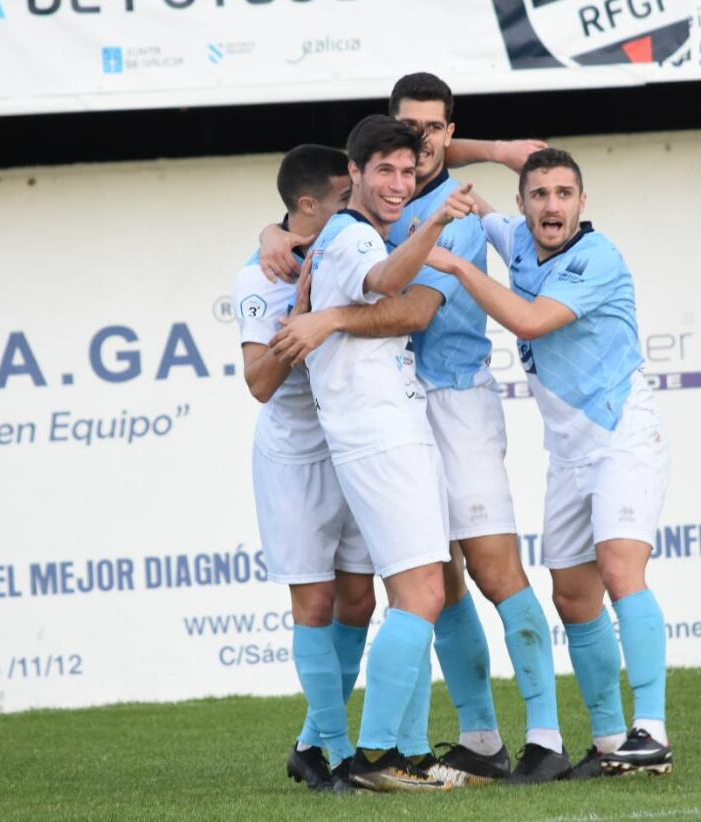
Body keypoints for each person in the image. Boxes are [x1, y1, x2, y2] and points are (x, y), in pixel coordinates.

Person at [268, 73, 569, 786]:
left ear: (447, 134)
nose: (422, 147)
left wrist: (329, 316)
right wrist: (277, 234)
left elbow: (414, 310)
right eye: (409, 133)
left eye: (436, 133)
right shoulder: (368, 202)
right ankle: (471, 739)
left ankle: (547, 735)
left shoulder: (454, 209)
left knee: (491, 571)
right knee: (433, 583)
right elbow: (308, 215)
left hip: (453, 400)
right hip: (389, 411)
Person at [426, 147, 674, 777]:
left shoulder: (597, 256)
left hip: (621, 433)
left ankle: (653, 731)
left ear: (582, 203)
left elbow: (531, 321)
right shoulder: (513, 239)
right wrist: (450, 149)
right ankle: (614, 743)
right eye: (539, 194)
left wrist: (454, 264)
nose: (551, 204)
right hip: (568, 452)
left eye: (564, 193)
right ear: (522, 204)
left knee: (621, 570)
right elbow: (469, 195)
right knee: (572, 595)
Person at [304, 113, 477, 792]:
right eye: (385, 170)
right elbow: (383, 284)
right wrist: (433, 228)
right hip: (377, 435)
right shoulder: (349, 238)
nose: (399, 184)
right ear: (353, 173)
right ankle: (374, 757)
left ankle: (399, 749)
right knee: (421, 591)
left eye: (409, 172)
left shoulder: (356, 235)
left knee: (421, 589)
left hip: (391, 428)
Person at [230, 145, 377, 793]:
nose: (360, 208)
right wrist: (300, 322)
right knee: (314, 604)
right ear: (309, 206)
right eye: (347, 199)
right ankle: (340, 757)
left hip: (354, 443)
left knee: (361, 600)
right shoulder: (260, 276)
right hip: (294, 459)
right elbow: (259, 383)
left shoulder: (351, 248)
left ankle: (313, 745)